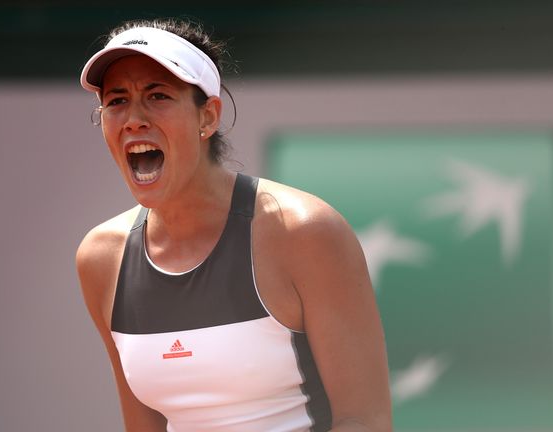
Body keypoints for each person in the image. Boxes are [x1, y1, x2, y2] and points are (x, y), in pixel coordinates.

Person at [75, 18, 392, 432]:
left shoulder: (305, 232)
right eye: (117, 101)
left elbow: (364, 420)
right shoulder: (100, 259)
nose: (134, 118)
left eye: (157, 95)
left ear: (207, 117)